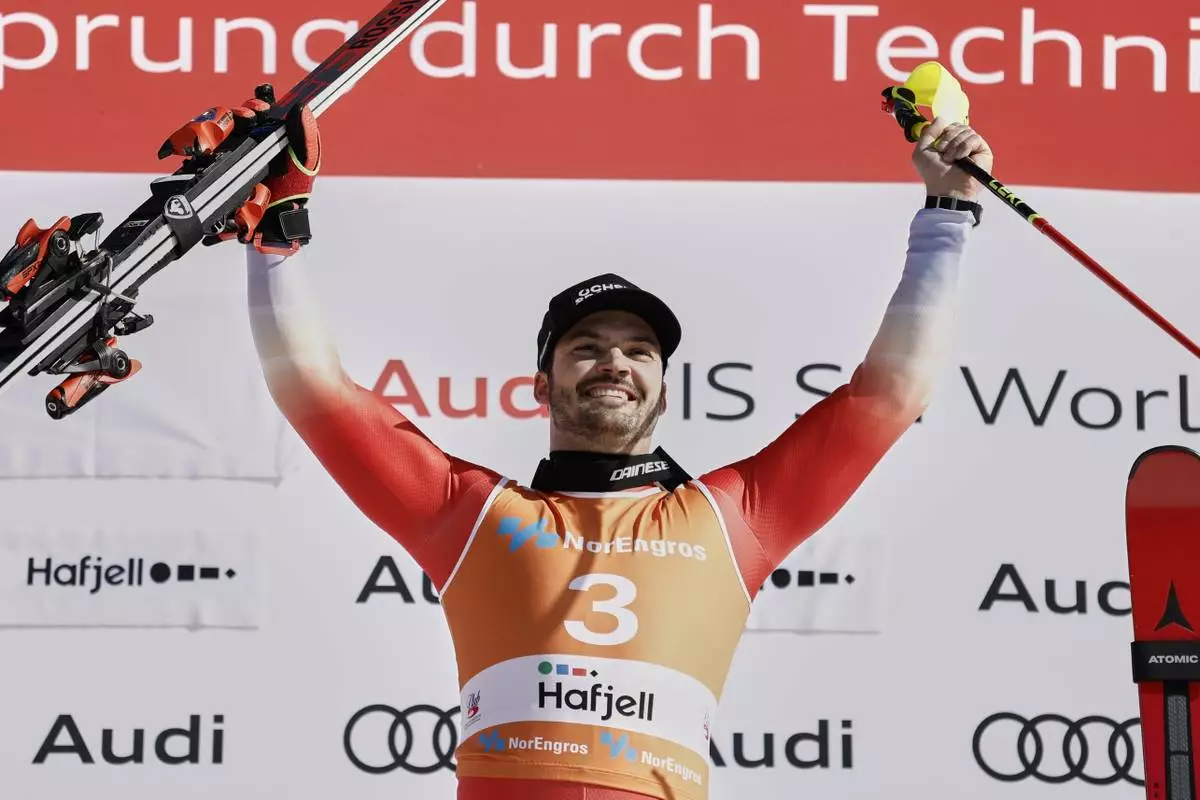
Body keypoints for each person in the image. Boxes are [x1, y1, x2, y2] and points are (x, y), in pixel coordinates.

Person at [211, 89, 991, 800]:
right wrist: (276, 243)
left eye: (639, 351)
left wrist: (948, 213)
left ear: (663, 388)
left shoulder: (734, 517)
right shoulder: (470, 513)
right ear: (541, 385)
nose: (615, 362)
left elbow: (891, 393)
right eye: (586, 347)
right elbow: (315, 391)